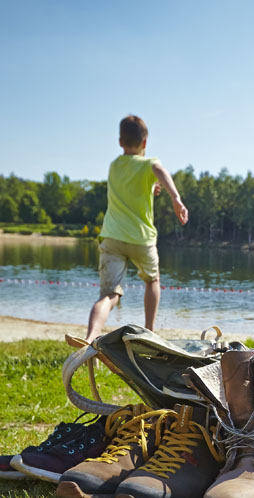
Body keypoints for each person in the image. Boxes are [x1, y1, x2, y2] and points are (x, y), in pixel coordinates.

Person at [85, 115, 188, 341]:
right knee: (152, 281)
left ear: (120, 142)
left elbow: (127, 192)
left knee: (109, 295)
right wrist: (175, 198)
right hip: (141, 239)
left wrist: (148, 191)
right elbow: (159, 169)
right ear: (145, 143)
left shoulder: (114, 166)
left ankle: (90, 338)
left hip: (112, 237)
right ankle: (149, 332)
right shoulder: (147, 164)